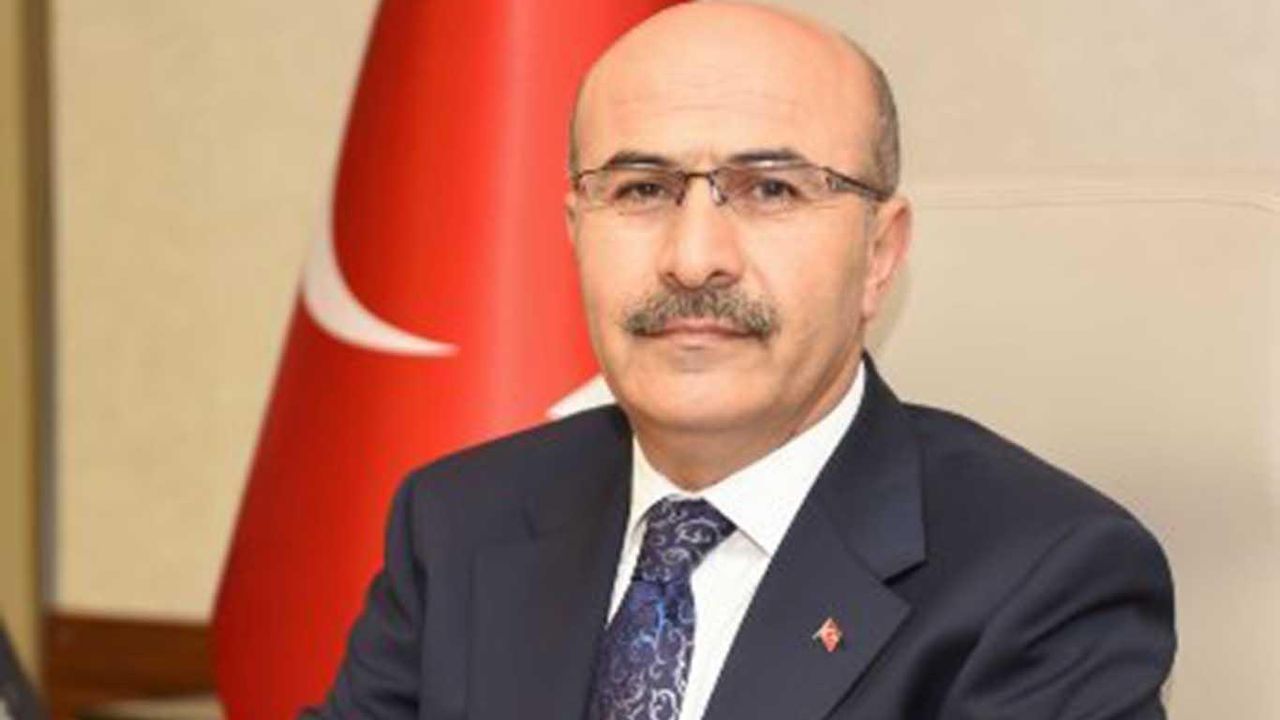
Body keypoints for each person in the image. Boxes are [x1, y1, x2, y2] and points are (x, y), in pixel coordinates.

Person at [307, 3, 1176, 718]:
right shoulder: (460, 520)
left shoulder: (1044, 577)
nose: (694, 259)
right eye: (641, 189)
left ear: (879, 252)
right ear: (575, 233)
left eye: (770, 190)